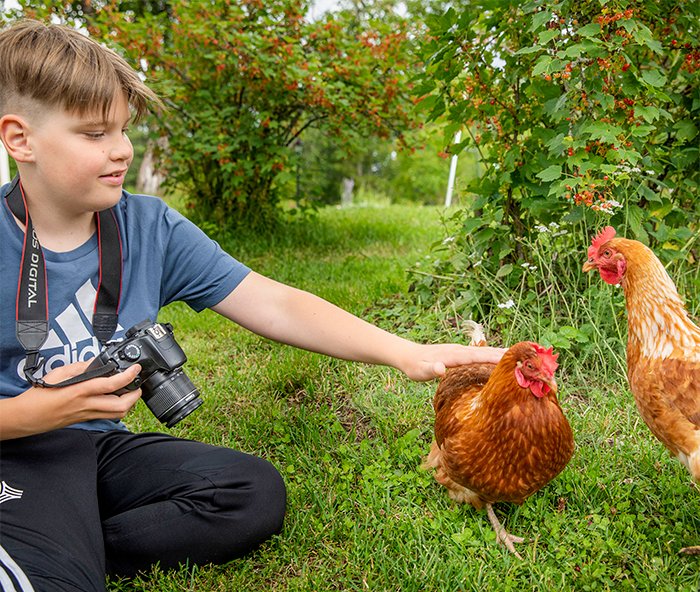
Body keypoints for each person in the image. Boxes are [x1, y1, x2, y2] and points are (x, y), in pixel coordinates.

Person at [0, 19, 506, 591]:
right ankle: (54, 556)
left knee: (251, 495)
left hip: (98, 449)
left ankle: (69, 544)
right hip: (15, 452)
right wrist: (32, 414)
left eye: (123, 130)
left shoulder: (148, 227)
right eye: (94, 134)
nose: (121, 150)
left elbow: (275, 303)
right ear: (21, 139)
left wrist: (406, 353)